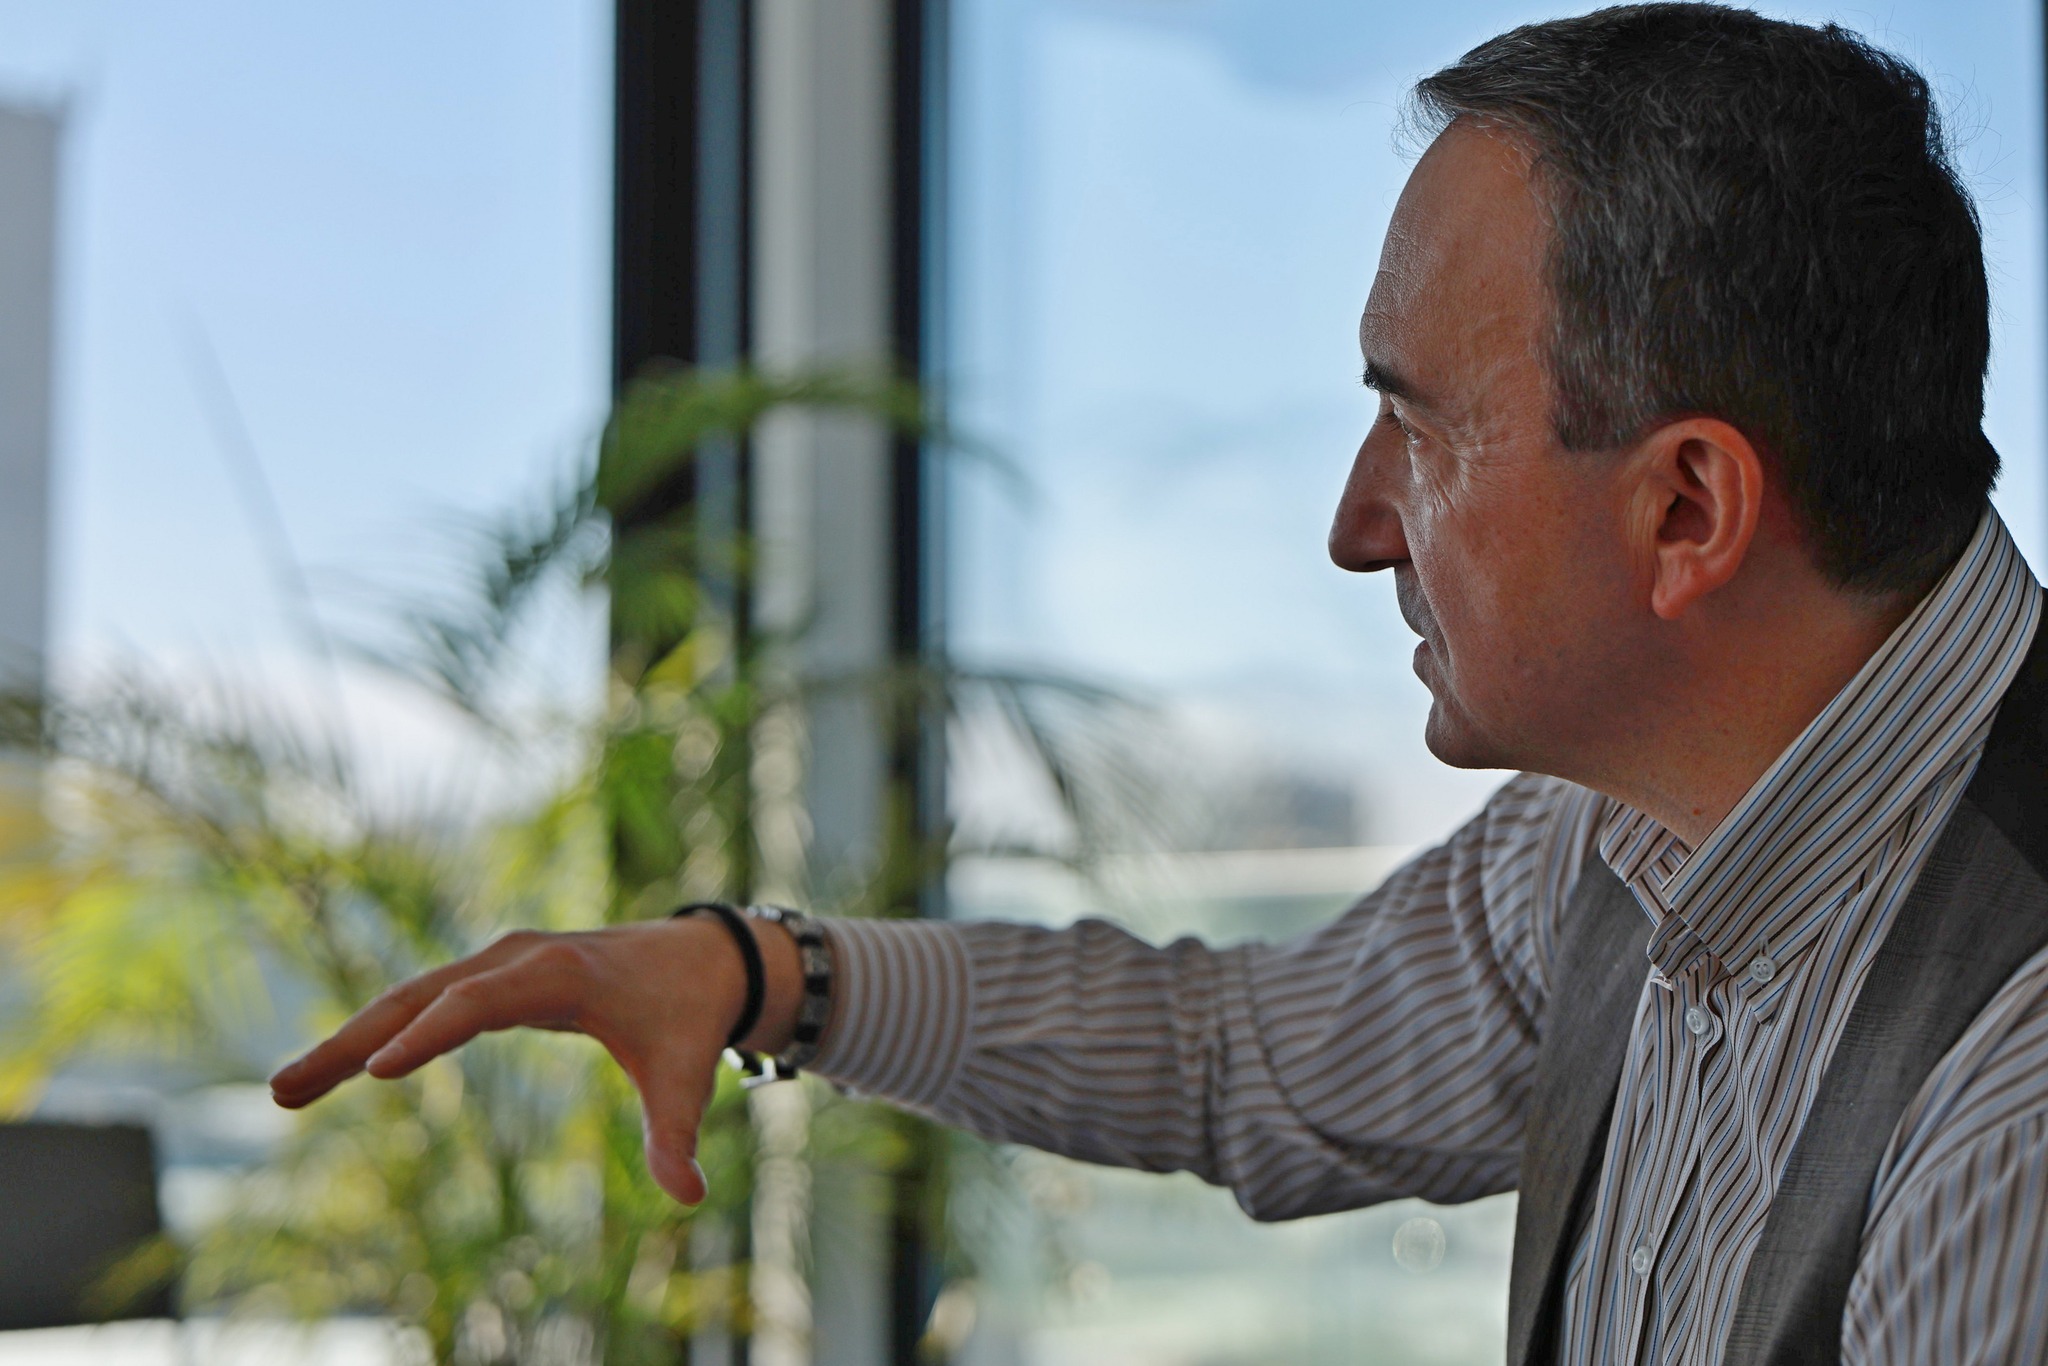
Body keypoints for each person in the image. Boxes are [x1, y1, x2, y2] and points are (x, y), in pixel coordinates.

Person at [270, 5, 2048, 1362]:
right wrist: (756, 972)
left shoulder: (2012, 1110)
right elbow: (1237, 1053)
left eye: (1417, 427)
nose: (1356, 525)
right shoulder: (1625, 835)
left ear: (1686, 511)